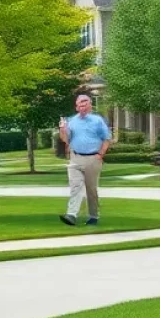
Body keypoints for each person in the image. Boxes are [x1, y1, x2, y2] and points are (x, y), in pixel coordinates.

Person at [57, 94, 111, 227]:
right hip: (76, 158)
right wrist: (62, 129)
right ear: (76, 107)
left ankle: (93, 216)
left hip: (93, 158)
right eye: (80, 103)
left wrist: (100, 154)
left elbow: (107, 138)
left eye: (85, 102)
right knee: (75, 187)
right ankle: (71, 215)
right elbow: (65, 139)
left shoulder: (97, 120)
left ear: (90, 105)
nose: (83, 105)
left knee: (91, 189)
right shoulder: (71, 121)